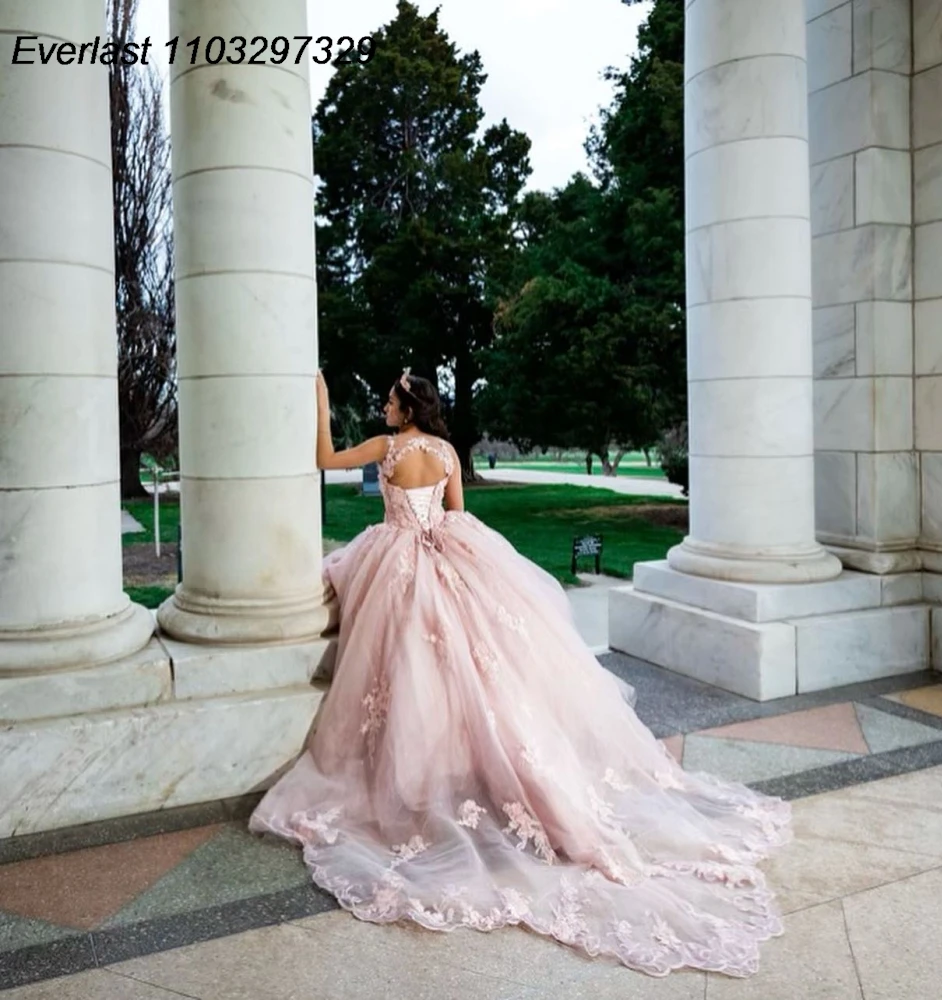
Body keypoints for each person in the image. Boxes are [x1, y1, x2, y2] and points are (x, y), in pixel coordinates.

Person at [249, 368, 791, 978]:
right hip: (444, 559)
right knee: (477, 671)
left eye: (390, 399)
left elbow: (324, 457)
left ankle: (425, 777)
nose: (384, 406)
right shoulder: (447, 452)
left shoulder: (387, 449)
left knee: (410, 675)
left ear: (407, 408)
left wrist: (321, 400)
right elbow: (454, 516)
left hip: (398, 567)